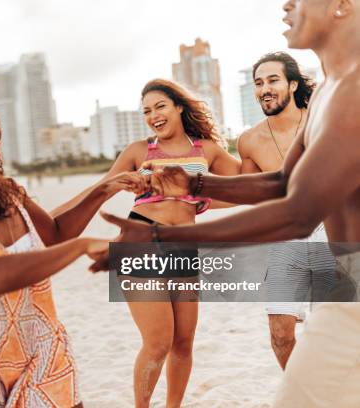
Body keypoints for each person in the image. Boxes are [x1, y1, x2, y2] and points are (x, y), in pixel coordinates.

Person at [92, 1, 360, 406]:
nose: (286, 5)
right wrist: (194, 181)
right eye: (258, 81)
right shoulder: (326, 93)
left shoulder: (353, 91)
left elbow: (297, 213)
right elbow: (280, 182)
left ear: (342, 5)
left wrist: (163, 235)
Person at [0, 81, 148, 407]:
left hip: (43, 349)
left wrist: (104, 189)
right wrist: (81, 247)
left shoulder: (9, 192)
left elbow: (52, 236)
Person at [55, 79, 240, 408]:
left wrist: (201, 200)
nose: (153, 115)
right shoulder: (139, 151)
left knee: (184, 341)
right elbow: (98, 191)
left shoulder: (207, 150)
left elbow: (242, 188)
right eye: (147, 111)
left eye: (160, 106)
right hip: (140, 240)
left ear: (179, 107)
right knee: (158, 342)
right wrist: (47, 219)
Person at [239, 51, 335, 369]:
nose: (264, 88)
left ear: (292, 84)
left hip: (333, 232)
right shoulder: (250, 141)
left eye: (272, 80)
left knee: (333, 331)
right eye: (258, 82)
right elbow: (251, 192)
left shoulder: (324, 118)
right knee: (280, 334)